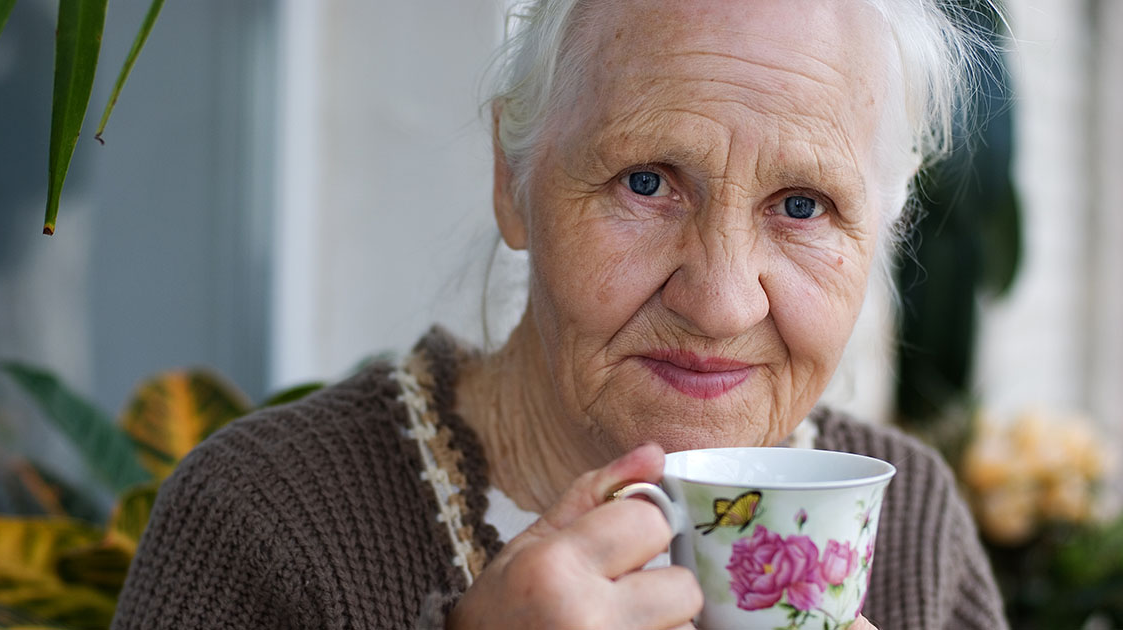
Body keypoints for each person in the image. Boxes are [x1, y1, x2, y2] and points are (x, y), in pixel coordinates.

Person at [113, 0, 1009, 628]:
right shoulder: (269, 518)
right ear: (515, 184)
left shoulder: (913, 526)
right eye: (648, 182)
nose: (721, 300)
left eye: (804, 205)